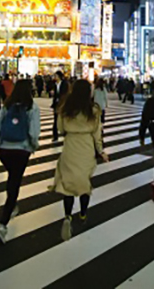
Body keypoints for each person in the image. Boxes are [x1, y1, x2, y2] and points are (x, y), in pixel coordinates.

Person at [50, 80, 109, 241]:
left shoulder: (65, 108)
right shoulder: (93, 110)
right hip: (86, 147)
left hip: (70, 146)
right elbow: (97, 134)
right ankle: (82, 214)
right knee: (84, 182)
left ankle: (67, 216)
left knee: (67, 184)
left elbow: (61, 129)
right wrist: (101, 151)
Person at [0, 79, 42, 245]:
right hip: (21, 150)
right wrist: (33, 146)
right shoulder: (32, 107)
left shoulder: (7, 105)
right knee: (15, 181)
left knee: (12, 178)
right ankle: (2, 225)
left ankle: (11, 205)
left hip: (4, 150)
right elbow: (34, 132)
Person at [52, 71, 70, 142]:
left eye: (56, 76)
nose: (54, 77)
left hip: (63, 104)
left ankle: (66, 135)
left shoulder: (64, 84)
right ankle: (55, 136)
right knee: (55, 120)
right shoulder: (55, 84)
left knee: (64, 120)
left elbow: (65, 93)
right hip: (56, 104)